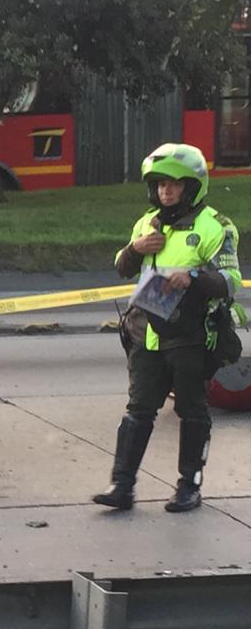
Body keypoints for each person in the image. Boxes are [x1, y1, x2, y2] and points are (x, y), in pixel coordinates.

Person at [93, 143, 242, 513]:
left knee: (192, 411)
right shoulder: (147, 223)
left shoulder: (215, 227)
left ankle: (189, 486)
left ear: (192, 187)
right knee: (138, 409)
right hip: (146, 331)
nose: (166, 191)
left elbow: (230, 280)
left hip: (189, 334)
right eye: (160, 184)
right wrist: (136, 247)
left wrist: (193, 277)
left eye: (174, 185)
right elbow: (122, 267)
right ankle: (122, 485)